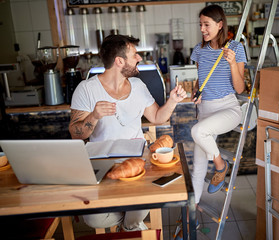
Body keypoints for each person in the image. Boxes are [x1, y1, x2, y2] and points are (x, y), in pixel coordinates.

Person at [69, 34, 187, 231]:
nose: (139, 58)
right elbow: (76, 133)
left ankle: (130, 226)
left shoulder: (139, 86)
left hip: (138, 164)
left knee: (149, 196)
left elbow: (157, 117)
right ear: (119, 61)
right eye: (135, 55)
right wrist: (94, 116)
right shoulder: (86, 89)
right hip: (103, 168)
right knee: (94, 220)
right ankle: (131, 224)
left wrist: (173, 101)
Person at [174, 4, 247, 239]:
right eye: (201, 25)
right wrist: (197, 92)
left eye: (207, 25)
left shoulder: (235, 48)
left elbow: (240, 87)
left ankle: (220, 165)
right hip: (205, 110)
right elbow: (201, 81)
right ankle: (190, 215)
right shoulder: (199, 50)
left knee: (198, 132)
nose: (203, 29)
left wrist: (233, 63)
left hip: (228, 108)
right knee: (196, 169)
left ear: (220, 24)